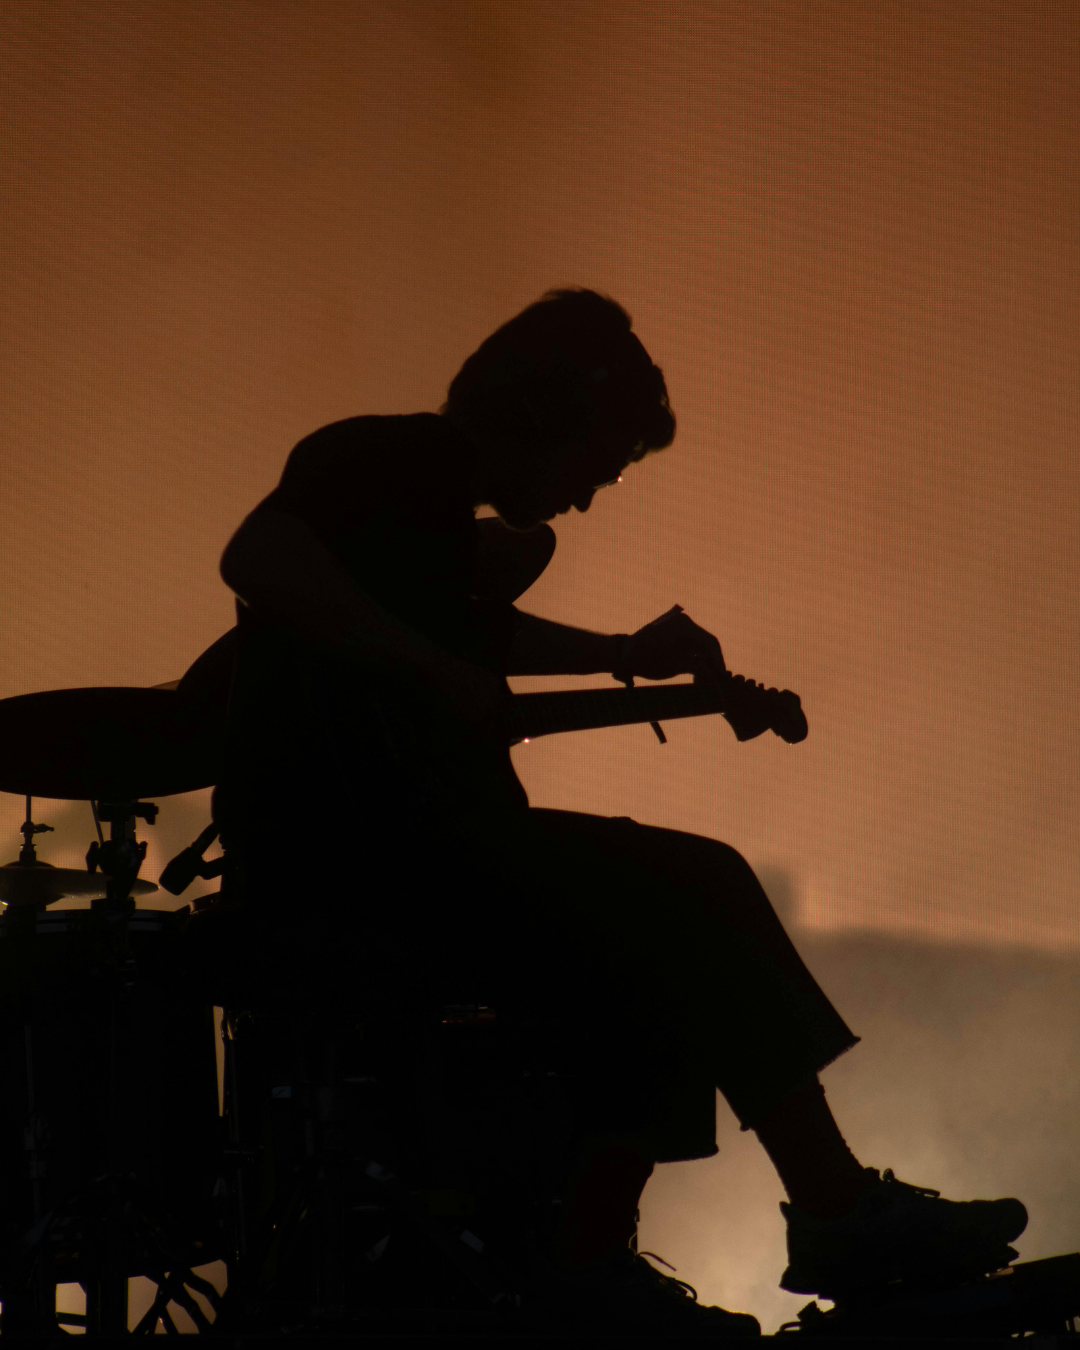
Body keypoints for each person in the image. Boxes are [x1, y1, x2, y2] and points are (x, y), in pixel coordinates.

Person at [215, 288, 1026, 1334]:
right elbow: (256, 556)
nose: (590, 499)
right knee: (699, 884)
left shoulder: (423, 522)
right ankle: (831, 1210)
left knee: (659, 954)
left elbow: (469, 638)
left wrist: (622, 658)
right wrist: (431, 668)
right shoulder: (393, 454)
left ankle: (588, 1268)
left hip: (420, 856)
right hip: (357, 862)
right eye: (595, 463)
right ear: (545, 413)